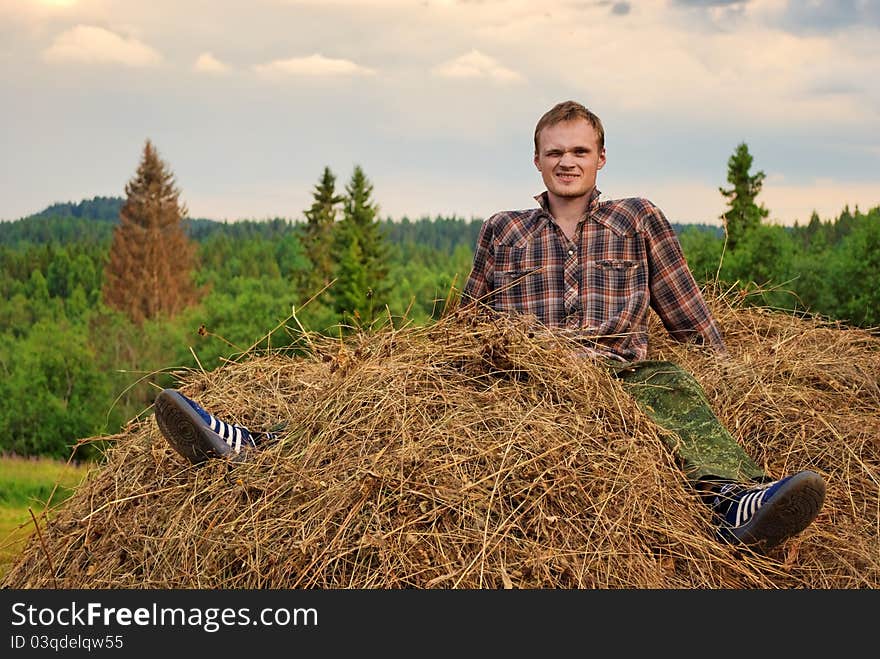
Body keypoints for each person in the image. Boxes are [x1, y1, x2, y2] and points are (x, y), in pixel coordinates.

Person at [154, 100, 826, 551]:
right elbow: (464, 327)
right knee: (395, 398)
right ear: (536, 160)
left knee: (675, 391)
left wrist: (741, 378)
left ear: (601, 158)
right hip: (524, 376)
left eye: (580, 151)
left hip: (620, 372)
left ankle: (736, 502)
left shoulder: (637, 217)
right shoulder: (503, 230)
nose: (567, 161)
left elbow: (688, 312)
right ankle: (262, 445)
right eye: (554, 151)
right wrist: (420, 367)